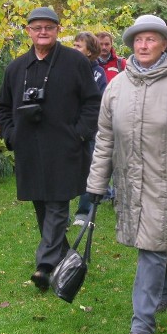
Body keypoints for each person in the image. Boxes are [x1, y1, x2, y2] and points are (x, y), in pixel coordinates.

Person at [86, 14, 167, 334]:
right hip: (130, 182)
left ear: (165, 45)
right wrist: (97, 183)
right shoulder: (116, 87)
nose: (143, 45)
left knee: (151, 247)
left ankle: (142, 323)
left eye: (151, 39)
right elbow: (104, 139)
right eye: (138, 40)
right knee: (152, 243)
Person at [0, 7, 101, 291]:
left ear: (57, 30)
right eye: (37, 27)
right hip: (29, 150)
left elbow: (92, 102)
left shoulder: (75, 62)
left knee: (57, 205)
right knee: (41, 207)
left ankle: (44, 265)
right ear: (28, 31)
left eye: (49, 27)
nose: (43, 32)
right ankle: (66, 258)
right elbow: (3, 107)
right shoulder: (16, 68)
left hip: (65, 148)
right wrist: (11, 135)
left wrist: (79, 134)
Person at [72, 31, 108, 226]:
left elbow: (98, 102)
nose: (74, 49)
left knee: (89, 169)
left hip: (90, 130)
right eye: (74, 45)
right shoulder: (66, 69)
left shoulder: (97, 73)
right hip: (68, 128)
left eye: (79, 46)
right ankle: (60, 211)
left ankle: (83, 212)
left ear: (90, 51)